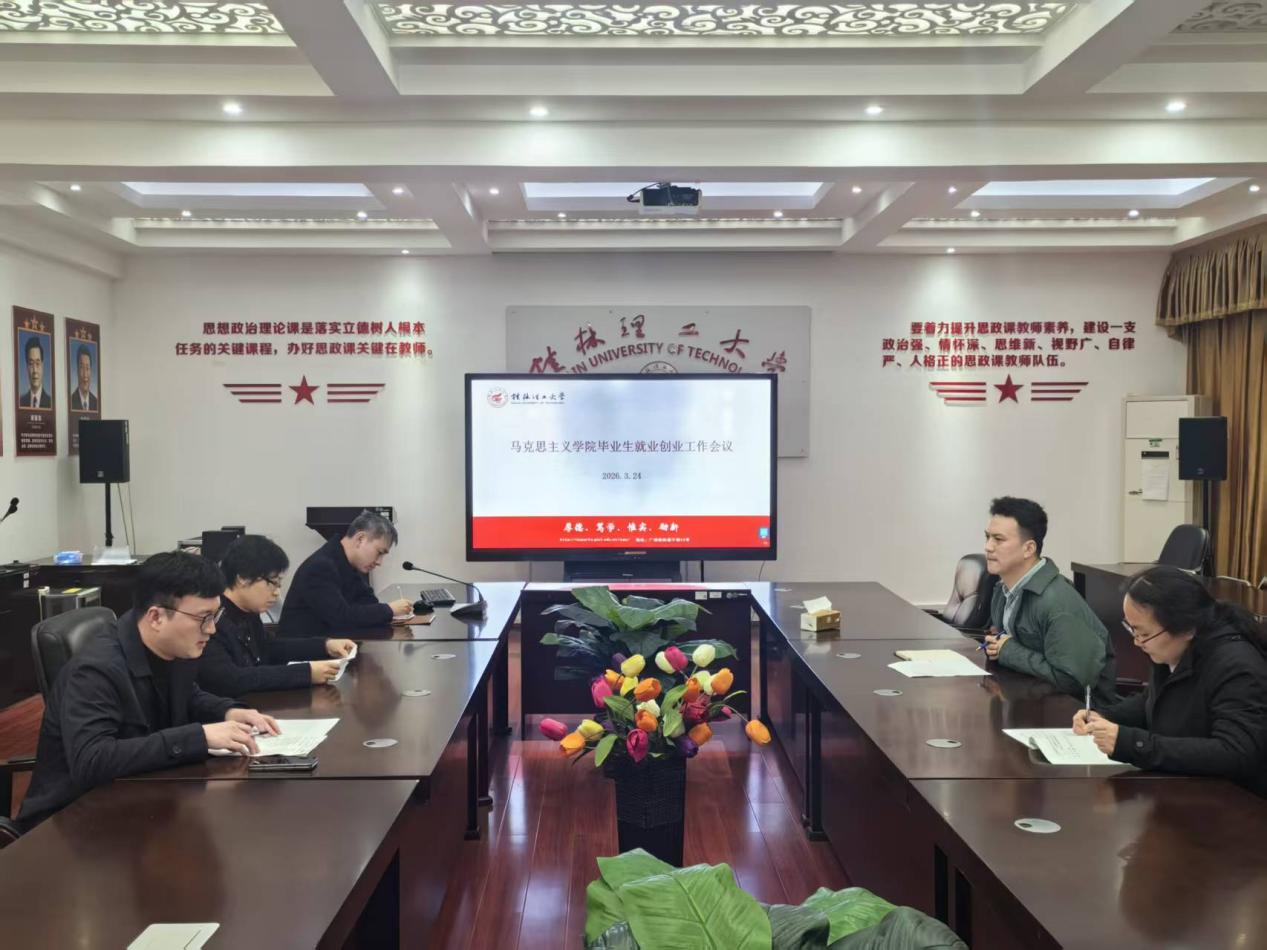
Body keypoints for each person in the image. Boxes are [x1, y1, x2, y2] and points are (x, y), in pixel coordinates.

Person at [17, 552, 280, 829]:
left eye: (215, 616)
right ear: (156, 617)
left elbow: (187, 695)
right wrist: (198, 737)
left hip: (135, 800)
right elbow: (92, 761)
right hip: (69, 823)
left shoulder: (175, 647)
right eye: (203, 618)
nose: (212, 629)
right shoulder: (95, 671)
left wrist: (227, 711)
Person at [1074, 565, 1267, 795]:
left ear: (1187, 629)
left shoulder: (1237, 668)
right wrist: (1104, 716)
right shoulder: (1175, 649)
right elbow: (1154, 701)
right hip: (1186, 788)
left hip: (1234, 801)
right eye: (1132, 630)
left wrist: (1133, 744)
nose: (1137, 642)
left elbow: (1234, 753)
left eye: (1144, 633)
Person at [981, 496, 1116, 704]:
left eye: (998, 539)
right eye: (987, 537)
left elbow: (1072, 680)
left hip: (1074, 712)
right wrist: (997, 646)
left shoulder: (1057, 602)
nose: (988, 547)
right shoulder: (1002, 589)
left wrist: (1008, 651)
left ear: (1028, 549)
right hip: (1029, 701)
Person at [198, 534, 356, 697]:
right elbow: (231, 680)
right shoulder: (211, 619)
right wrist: (306, 673)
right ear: (243, 578)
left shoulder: (248, 611)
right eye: (273, 583)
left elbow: (269, 648)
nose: (277, 592)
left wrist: (325, 646)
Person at [277, 509, 412, 638]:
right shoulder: (321, 566)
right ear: (360, 539)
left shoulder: (346, 562)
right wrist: (389, 609)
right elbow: (341, 618)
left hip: (332, 643)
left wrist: (386, 611)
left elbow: (368, 602)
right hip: (303, 651)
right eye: (379, 552)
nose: (379, 562)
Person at [19, 335, 51, 410]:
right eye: (31, 364)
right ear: (27, 367)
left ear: (42, 366)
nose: (35, 370)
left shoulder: (51, 402)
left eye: (37, 363)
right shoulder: (20, 402)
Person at [70, 344, 98, 411]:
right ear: (77, 370)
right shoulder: (70, 401)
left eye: (87, 368)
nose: (85, 375)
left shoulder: (96, 402)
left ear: (91, 371)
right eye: (82, 368)